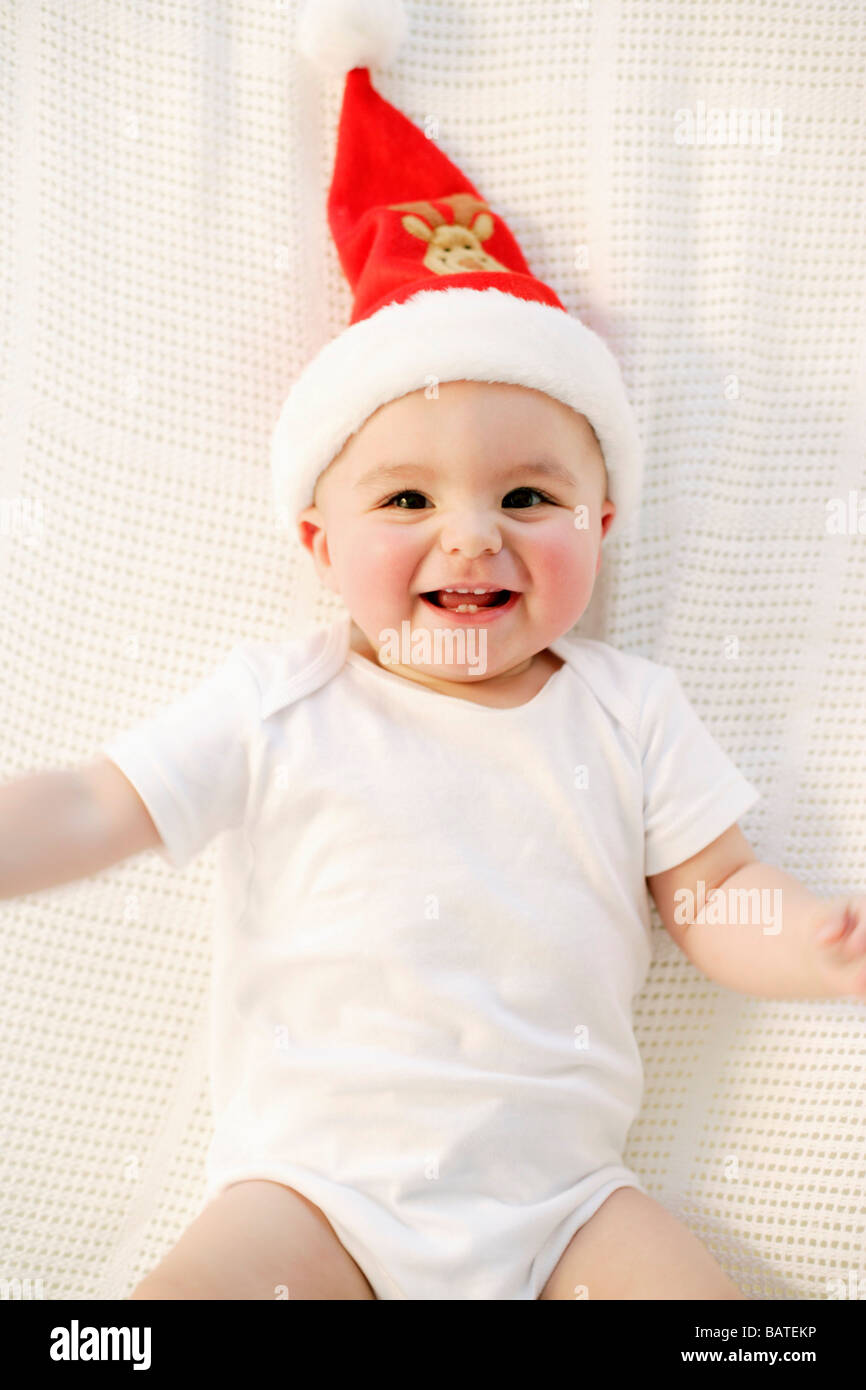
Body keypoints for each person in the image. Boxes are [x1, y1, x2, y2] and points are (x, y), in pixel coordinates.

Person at [3, 0, 863, 1300]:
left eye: (526, 499)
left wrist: (810, 934)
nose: (472, 538)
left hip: (569, 1204)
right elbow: (90, 800)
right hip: (313, 1196)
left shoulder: (626, 710)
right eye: (405, 502)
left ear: (601, 523)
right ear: (316, 538)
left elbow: (705, 894)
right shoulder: (278, 703)